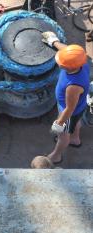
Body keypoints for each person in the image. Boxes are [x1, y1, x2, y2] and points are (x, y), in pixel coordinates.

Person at [42, 32, 90, 164]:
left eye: (61, 62)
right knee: (75, 122)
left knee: (63, 135)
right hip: (79, 108)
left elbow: (69, 108)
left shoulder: (73, 86)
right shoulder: (81, 61)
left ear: (68, 67)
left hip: (69, 112)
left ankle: (56, 155)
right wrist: (53, 41)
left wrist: (59, 123)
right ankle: (75, 139)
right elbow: (67, 51)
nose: (58, 61)